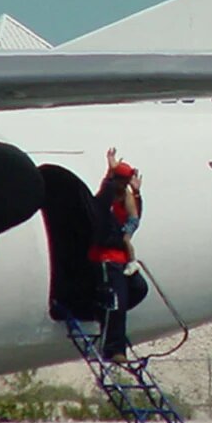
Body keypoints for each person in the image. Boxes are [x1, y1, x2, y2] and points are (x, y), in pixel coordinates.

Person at [88, 147, 148, 362]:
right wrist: (110, 172)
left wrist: (137, 193)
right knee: (117, 302)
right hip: (107, 257)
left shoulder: (126, 198)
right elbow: (103, 197)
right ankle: (115, 349)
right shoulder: (107, 199)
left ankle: (106, 317)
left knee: (138, 289)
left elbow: (134, 217)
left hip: (120, 257)